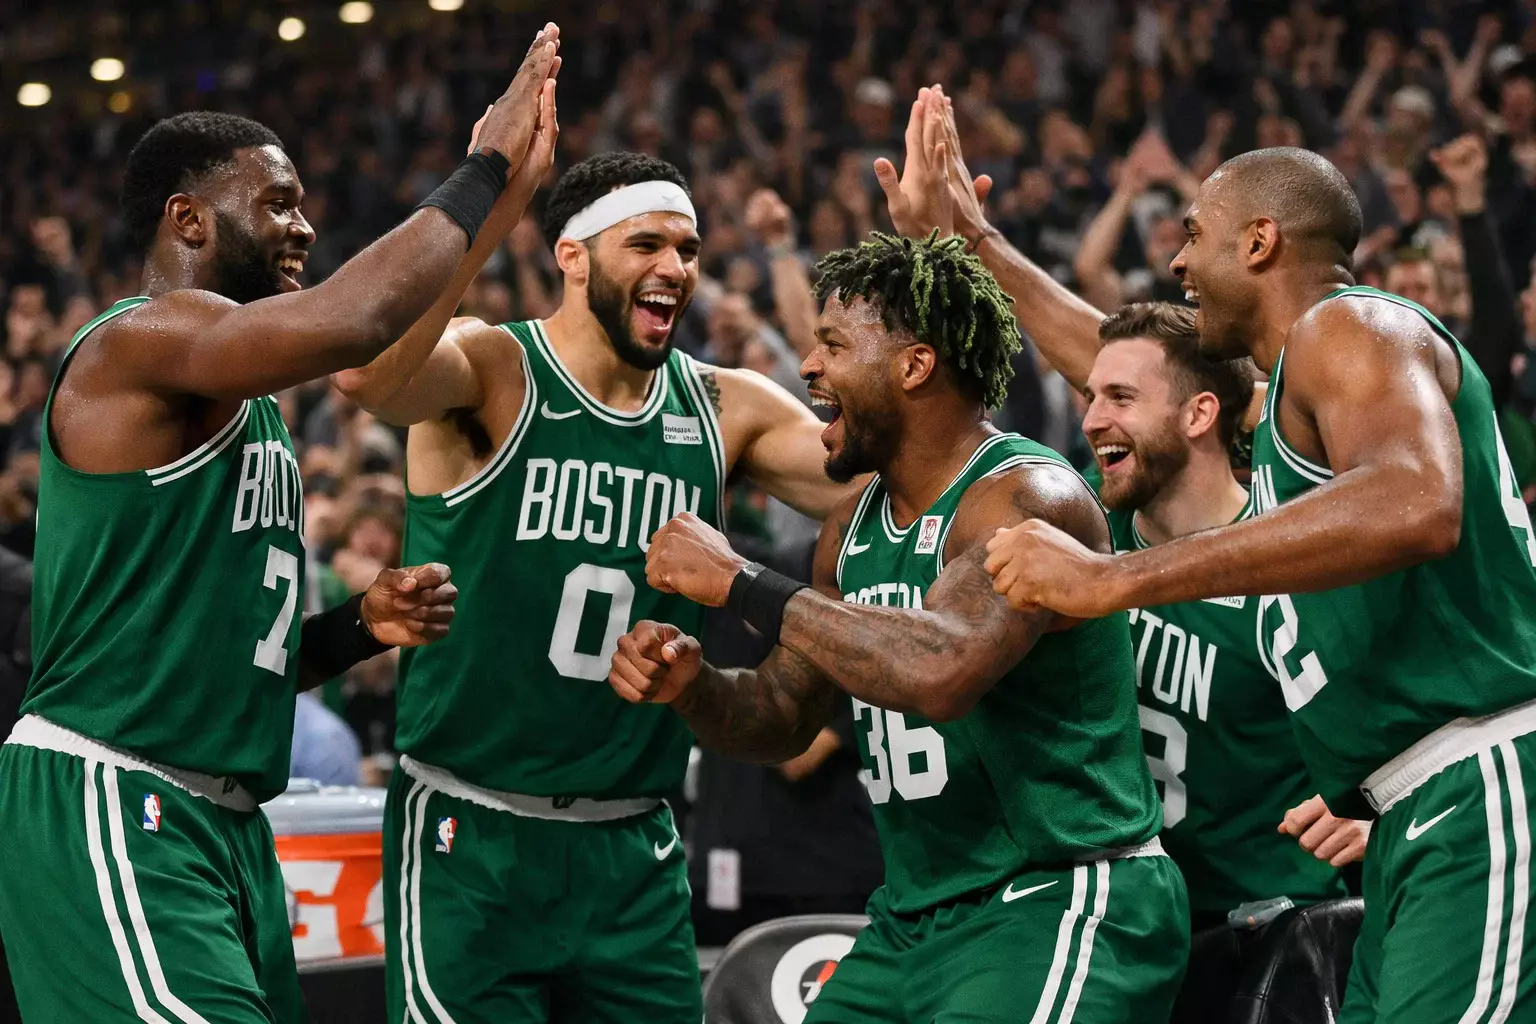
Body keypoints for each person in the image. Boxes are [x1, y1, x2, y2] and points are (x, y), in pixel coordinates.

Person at [0, 26, 560, 1022]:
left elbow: (234, 663)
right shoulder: (136, 343)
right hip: (115, 791)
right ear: (189, 218)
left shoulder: (248, 404)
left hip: (223, 820)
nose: (304, 227)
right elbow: (355, 322)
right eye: (278, 204)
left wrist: (361, 627)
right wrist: (485, 167)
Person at [986, 145, 1536, 1022]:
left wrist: (1114, 578)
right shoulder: (1297, 396)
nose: (1176, 261)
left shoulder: (1347, 327)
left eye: (1195, 235)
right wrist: (974, 239)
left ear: (1259, 242)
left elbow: (1417, 500)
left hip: (1477, 778)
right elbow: (1133, 375)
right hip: (1411, 812)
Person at [609, 231, 1189, 1022]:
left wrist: (739, 580)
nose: (809, 368)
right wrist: (694, 688)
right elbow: (779, 718)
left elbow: (940, 672)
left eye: (834, 346)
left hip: (1058, 893)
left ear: (914, 367)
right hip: (913, 916)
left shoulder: (1026, 497)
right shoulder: (847, 528)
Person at [877, 87, 1370, 1016]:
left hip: (1286, 935)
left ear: (1198, 415)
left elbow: (1411, 676)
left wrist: (1376, 802)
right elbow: (1099, 352)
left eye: (1119, 401)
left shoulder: (1294, 539)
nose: (1089, 412)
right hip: (1125, 925)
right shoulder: (1075, 533)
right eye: (1089, 396)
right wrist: (959, 242)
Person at [333, 149, 852, 1022]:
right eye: (645, 243)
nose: (675, 269)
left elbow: (882, 484)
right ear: (571, 255)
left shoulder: (726, 406)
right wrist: (491, 208)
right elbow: (369, 375)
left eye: (688, 250)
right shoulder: (493, 369)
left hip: (633, 840)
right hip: (474, 829)